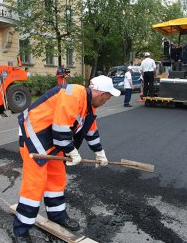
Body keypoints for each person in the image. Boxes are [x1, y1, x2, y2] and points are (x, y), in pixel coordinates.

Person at [13, 75, 120, 243]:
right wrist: (71, 152)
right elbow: (61, 127)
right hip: (34, 137)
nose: (107, 100)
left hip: (54, 140)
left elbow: (90, 130)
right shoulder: (73, 94)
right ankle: (21, 230)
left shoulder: (89, 105)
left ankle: (57, 215)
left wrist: (99, 152)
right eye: (108, 97)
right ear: (101, 93)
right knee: (34, 185)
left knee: (57, 179)